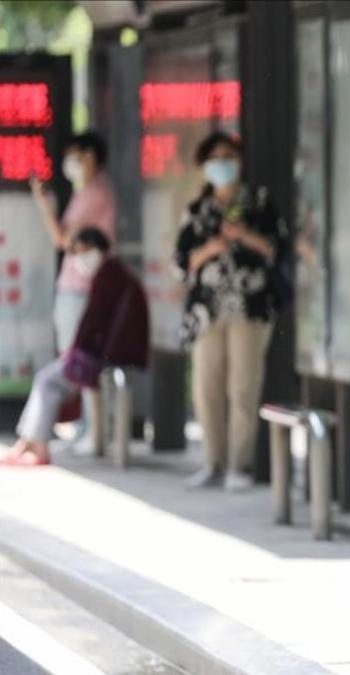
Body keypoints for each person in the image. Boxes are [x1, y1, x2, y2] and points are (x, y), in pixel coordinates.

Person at [175, 131, 285, 493]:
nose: (222, 164)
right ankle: (213, 461)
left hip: (249, 309)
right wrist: (211, 248)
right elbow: (182, 262)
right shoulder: (196, 210)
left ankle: (240, 465)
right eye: (215, 158)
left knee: (243, 387)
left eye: (229, 157)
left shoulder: (259, 203)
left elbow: (277, 249)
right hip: (208, 312)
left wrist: (244, 236)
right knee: (206, 387)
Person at [2, 228, 148, 466]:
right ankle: (27, 442)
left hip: (106, 358)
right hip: (111, 354)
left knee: (46, 381)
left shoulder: (110, 278)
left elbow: (93, 325)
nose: (80, 258)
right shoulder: (114, 273)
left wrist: (78, 352)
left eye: (82, 251)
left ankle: (36, 446)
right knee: (48, 378)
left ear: (96, 249)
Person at [30, 131, 117, 450]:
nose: (71, 163)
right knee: (78, 362)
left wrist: (43, 204)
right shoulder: (89, 192)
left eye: (76, 156)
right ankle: (87, 429)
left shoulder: (96, 193)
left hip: (81, 290)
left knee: (79, 361)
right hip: (76, 288)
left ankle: (94, 432)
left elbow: (63, 240)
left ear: (91, 156)